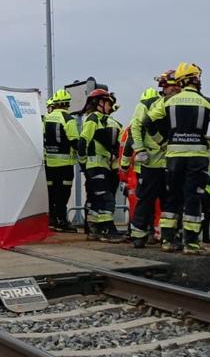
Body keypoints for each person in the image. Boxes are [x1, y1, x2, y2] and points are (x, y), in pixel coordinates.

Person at [145, 62, 210, 254]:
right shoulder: (207, 102)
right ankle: (191, 243)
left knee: (172, 198)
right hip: (197, 157)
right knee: (193, 198)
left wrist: (162, 143)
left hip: (173, 157)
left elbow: (148, 121)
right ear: (195, 79)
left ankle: (168, 241)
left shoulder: (168, 102)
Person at [129, 72, 179, 247]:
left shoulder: (179, 104)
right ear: (163, 87)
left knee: (171, 201)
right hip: (152, 161)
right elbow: (136, 126)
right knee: (146, 199)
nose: (176, 88)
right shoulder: (149, 104)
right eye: (172, 85)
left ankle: (169, 236)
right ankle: (139, 235)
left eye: (178, 85)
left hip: (173, 162)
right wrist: (140, 149)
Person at [79, 88, 124, 241]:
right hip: (96, 165)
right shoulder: (93, 119)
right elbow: (83, 141)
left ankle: (94, 229)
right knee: (106, 198)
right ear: (99, 103)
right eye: (108, 103)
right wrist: (84, 163)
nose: (111, 107)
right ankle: (107, 230)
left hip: (103, 166)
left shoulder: (109, 122)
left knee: (95, 199)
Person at [41, 89, 80, 232]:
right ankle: (62, 221)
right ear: (67, 104)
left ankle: (52, 220)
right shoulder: (68, 119)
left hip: (49, 163)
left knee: (51, 192)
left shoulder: (47, 118)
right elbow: (75, 142)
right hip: (65, 165)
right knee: (63, 194)